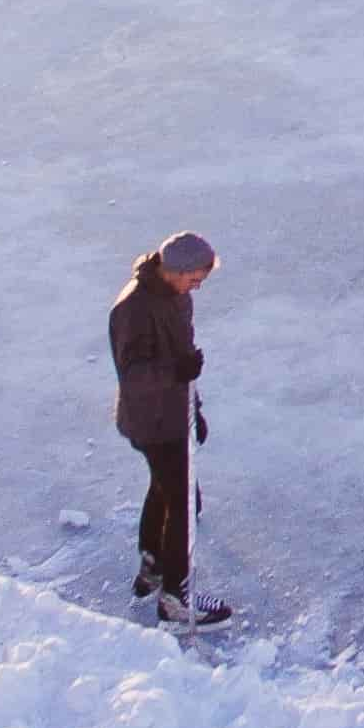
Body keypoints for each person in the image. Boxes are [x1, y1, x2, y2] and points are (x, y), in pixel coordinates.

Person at [108, 231, 233, 626]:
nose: (198, 286)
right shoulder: (133, 308)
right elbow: (133, 374)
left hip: (172, 414)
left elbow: (182, 358)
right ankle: (176, 599)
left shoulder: (177, 298)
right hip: (151, 419)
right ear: (175, 270)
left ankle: (152, 568)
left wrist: (193, 409)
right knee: (183, 503)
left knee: (164, 490)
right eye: (195, 277)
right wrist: (175, 372)